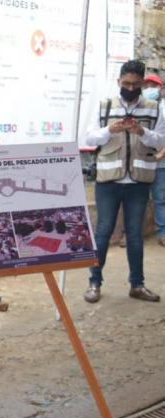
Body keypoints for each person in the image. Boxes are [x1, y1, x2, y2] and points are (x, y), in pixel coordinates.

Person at [83, 59, 165, 303]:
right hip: (108, 181)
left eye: (135, 84)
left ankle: (137, 285)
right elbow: (89, 138)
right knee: (103, 231)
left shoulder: (153, 107)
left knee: (134, 234)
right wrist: (111, 130)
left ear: (141, 83)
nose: (129, 88)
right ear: (119, 81)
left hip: (139, 182)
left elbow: (160, 141)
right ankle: (94, 283)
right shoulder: (105, 106)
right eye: (125, 83)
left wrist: (143, 132)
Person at [144, 73, 165, 246]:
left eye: (153, 85)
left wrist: (162, 154)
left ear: (161, 89)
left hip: (160, 163)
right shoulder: (139, 106)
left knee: (160, 198)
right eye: (146, 85)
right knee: (135, 200)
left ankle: (163, 233)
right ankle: (130, 234)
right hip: (141, 163)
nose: (149, 89)